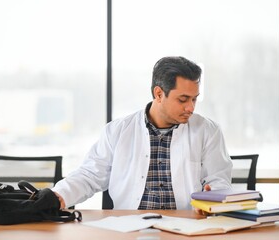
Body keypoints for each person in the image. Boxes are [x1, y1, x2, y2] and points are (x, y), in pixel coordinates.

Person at [52, 56, 232, 212]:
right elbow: (89, 176)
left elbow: (218, 180)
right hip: (128, 227)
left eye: (194, 99)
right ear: (159, 94)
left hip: (186, 227)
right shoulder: (118, 131)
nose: (190, 107)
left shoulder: (208, 131)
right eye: (183, 99)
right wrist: (57, 196)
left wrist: (210, 199)